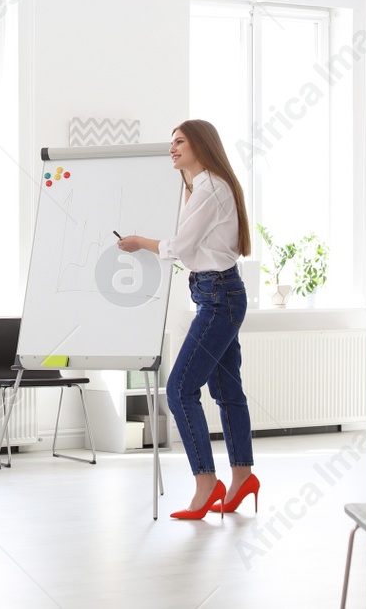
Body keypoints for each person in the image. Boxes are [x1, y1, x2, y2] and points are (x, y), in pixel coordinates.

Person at [116, 120, 257, 521]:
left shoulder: (210, 187)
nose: (172, 148)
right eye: (171, 143)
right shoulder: (204, 187)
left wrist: (140, 242)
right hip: (217, 293)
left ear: (201, 143)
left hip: (218, 297)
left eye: (180, 141)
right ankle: (242, 475)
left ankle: (206, 482)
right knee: (227, 390)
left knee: (179, 389)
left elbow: (181, 246)